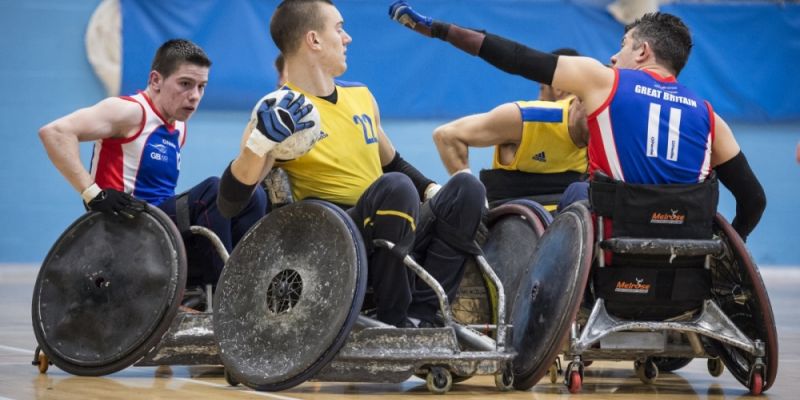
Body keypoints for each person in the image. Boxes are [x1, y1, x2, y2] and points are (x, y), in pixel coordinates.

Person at [389, 2, 766, 241]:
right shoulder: (711, 118)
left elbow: (518, 56)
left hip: (615, 230)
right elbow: (753, 199)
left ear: (643, 50)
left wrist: (440, 30)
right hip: (687, 237)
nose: (614, 57)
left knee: (576, 194)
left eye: (622, 46)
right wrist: (736, 242)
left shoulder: (605, 81)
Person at [218, 0, 486, 328]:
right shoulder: (277, 109)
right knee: (396, 191)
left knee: (467, 188)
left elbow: (394, 163)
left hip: (394, 221)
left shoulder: (361, 96)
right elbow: (231, 202)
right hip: (334, 240)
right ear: (314, 40)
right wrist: (258, 144)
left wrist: (433, 189)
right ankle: (394, 321)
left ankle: (425, 318)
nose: (348, 39)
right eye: (340, 29)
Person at [39, 39, 266, 291]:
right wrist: (92, 193)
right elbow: (55, 133)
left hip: (160, 232)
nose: (194, 96)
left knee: (252, 196)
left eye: (201, 87)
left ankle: (245, 284)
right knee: (214, 190)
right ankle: (228, 291)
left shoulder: (179, 127)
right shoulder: (129, 111)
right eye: (185, 84)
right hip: (122, 229)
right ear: (156, 80)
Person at [432, 48, 588, 208]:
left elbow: (447, 135)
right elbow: (446, 135)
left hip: (568, 220)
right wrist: (477, 205)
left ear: (558, 88)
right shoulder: (524, 119)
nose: (539, 97)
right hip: (517, 221)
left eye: (541, 88)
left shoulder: (602, 127)